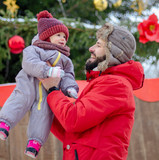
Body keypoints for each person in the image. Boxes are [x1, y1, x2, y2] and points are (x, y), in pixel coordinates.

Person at [40, 22, 144, 160]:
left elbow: (73, 120)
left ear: (112, 53)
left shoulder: (116, 85)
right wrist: (44, 103)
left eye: (99, 45)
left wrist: (53, 89)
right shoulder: (105, 82)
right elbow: (71, 133)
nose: (91, 48)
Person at [0, 10, 79, 159]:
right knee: (20, 100)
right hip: (29, 83)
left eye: (64, 36)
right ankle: (4, 123)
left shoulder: (65, 59)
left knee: (43, 114)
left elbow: (68, 75)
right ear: (47, 35)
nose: (62, 39)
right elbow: (29, 63)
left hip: (46, 91)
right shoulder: (34, 49)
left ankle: (34, 143)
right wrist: (47, 70)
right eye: (58, 35)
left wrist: (70, 88)